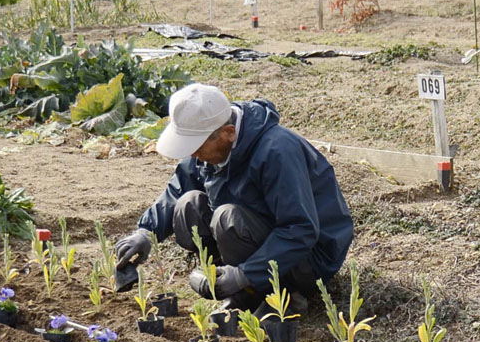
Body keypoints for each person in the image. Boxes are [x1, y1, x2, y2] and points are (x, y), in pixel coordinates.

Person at [115, 83, 354, 312]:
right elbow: (178, 189)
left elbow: (300, 229)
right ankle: (234, 279)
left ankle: (280, 293)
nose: (194, 156)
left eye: (197, 148)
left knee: (226, 218)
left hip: (308, 259)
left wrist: (245, 273)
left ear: (228, 133)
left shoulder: (277, 152)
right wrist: (146, 233)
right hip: (258, 232)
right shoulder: (209, 138)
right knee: (188, 204)